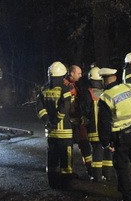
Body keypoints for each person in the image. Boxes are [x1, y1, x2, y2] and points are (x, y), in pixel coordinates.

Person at [98, 67, 131, 201]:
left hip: (119, 138)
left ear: (104, 80)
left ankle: (129, 200)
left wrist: (105, 142)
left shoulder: (105, 97)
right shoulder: (129, 88)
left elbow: (104, 123)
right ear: (115, 77)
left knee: (121, 169)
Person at [37, 61, 75, 189]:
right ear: (63, 75)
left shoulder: (44, 89)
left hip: (51, 132)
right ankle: (66, 184)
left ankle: (52, 183)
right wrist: (55, 121)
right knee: (66, 160)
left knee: (52, 159)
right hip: (64, 131)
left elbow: (39, 107)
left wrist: (47, 120)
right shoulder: (65, 89)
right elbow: (65, 108)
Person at [82, 66, 113, 181]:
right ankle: (108, 175)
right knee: (108, 152)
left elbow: (85, 110)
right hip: (108, 129)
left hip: (94, 129)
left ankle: (97, 177)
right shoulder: (107, 92)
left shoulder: (88, 93)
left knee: (97, 152)